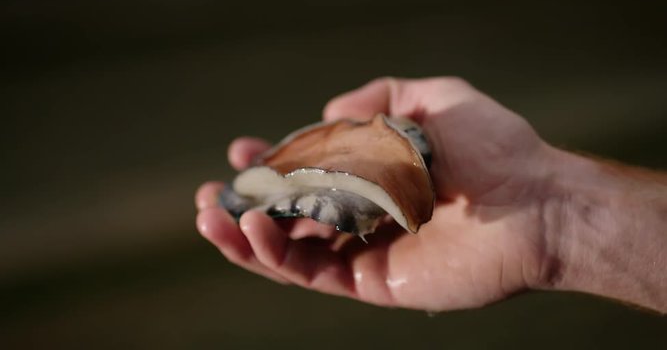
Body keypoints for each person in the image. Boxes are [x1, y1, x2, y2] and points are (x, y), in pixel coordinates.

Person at [195, 77, 667, 313]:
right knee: (246, 201)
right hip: (307, 172)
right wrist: (555, 222)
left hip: (379, 170)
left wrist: (549, 214)